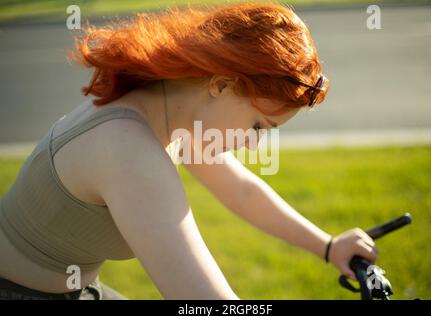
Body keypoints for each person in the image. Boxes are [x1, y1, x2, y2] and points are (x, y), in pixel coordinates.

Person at [0, 2, 377, 300]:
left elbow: (242, 192)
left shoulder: (169, 108)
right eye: (259, 126)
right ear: (222, 84)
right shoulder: (129, 151)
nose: (254, 144)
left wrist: (328, 246)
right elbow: (203, 299)